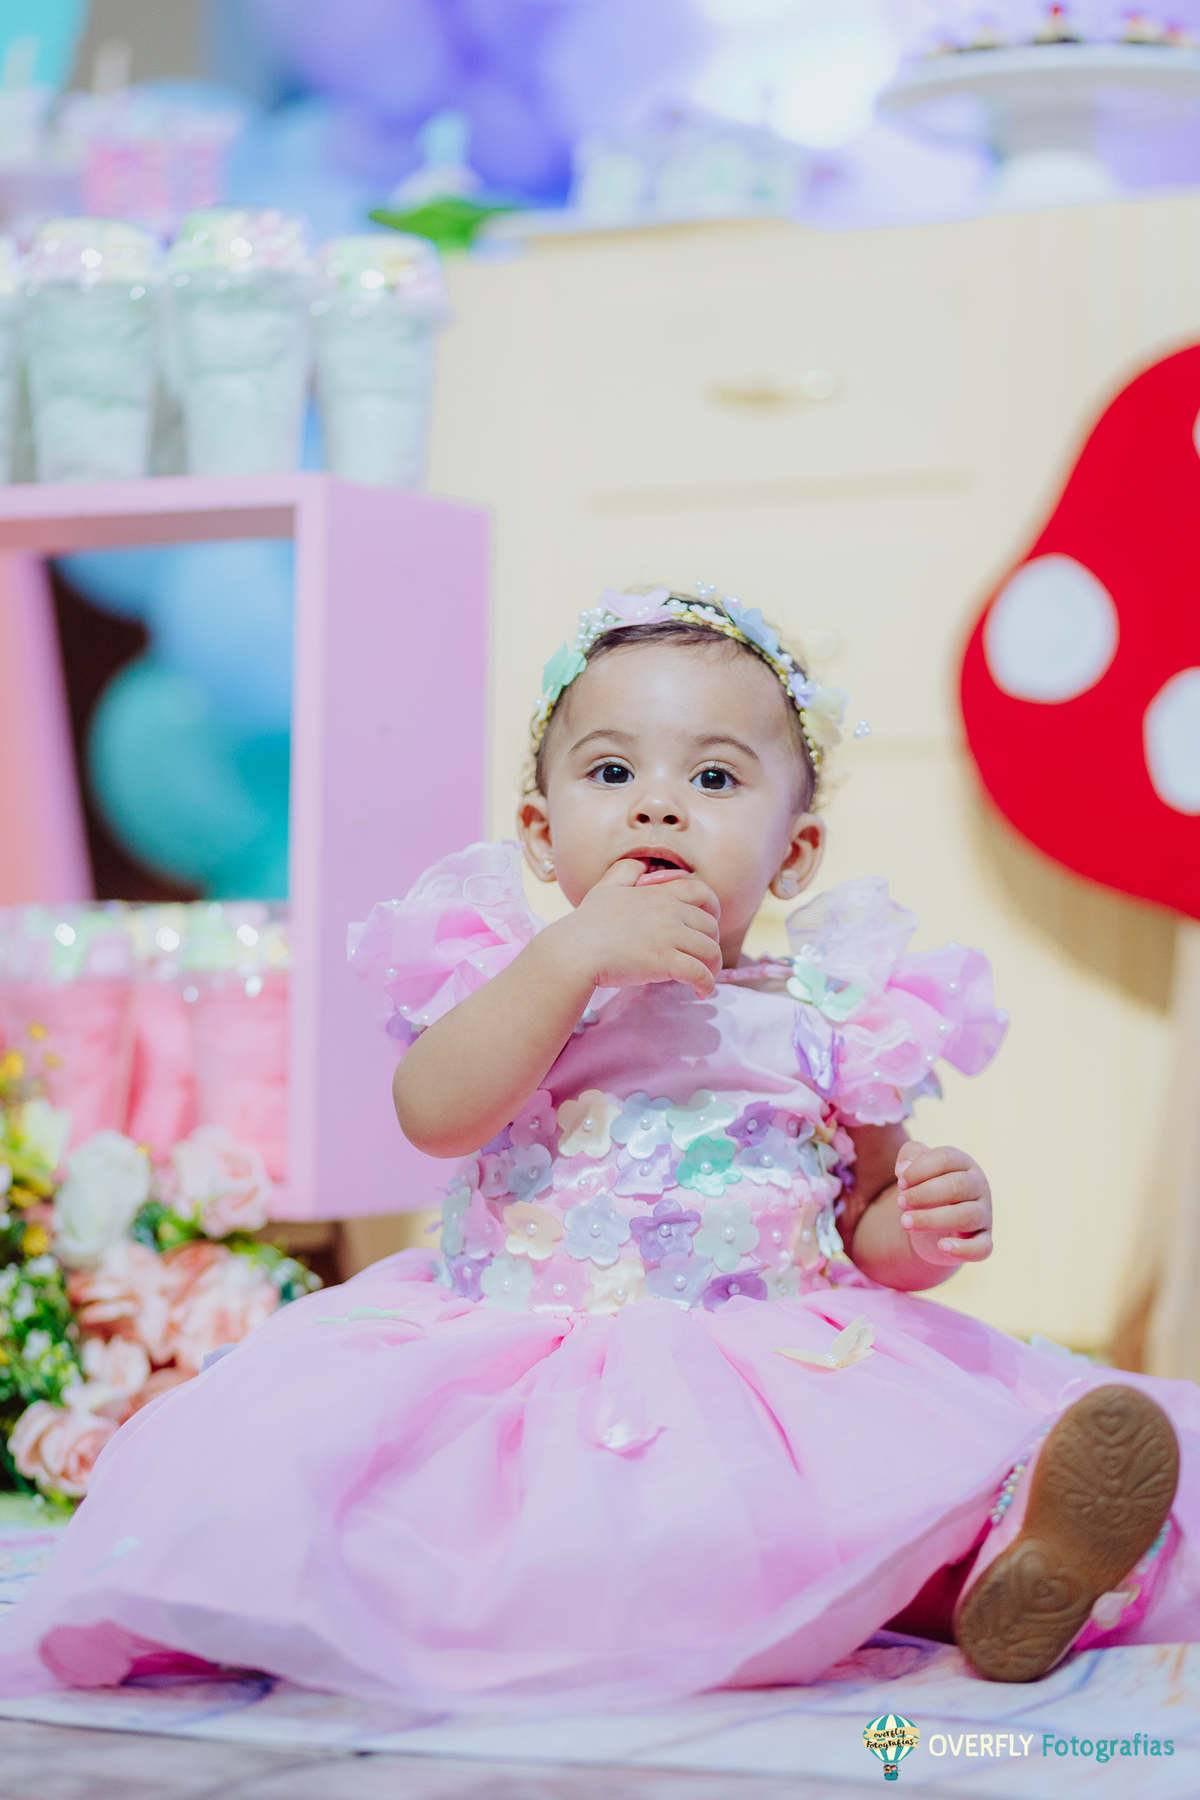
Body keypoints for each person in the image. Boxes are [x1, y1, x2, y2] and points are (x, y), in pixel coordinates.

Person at [0, 586, 1193, 1708]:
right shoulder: (516, 979)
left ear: (793, 855)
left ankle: (1010, 1573)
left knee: (891, 1482)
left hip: (783, 1355)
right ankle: (931, 1582)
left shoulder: (833, 1013)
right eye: (612, 771)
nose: (658, 805)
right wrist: (569, 961)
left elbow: (868, 1220)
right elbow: (437, 1110)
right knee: (523, 1525)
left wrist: (923, 1229)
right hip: (529, 1350)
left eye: (715, 777)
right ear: (540, 826)